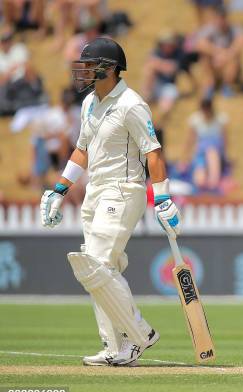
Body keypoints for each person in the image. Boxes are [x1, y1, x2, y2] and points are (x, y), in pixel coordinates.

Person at [39, 38, 182, 366]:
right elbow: (82, 149)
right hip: (95, 192)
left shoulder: (131, 104)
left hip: (124, 191)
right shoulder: (90, 102)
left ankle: (140, 333)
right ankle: (114, 344)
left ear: (110, 68)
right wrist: (59, 189)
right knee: (102, 269)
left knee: (95, 264)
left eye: (90, 64)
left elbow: (153, 152)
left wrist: (162, 197)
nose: (84, 70)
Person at [194, 6, 243, 97]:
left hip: (227, 59)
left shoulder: (234, 28)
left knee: (234, 58)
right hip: (214, 59)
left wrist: (226, 55)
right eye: (218, 18)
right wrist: (217, 52)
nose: (221, 21)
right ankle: (210, 84)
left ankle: (227, 86)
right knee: (204, 57)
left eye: (223, 18)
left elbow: (241, 42)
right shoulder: (209, 28)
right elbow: (199, 44)